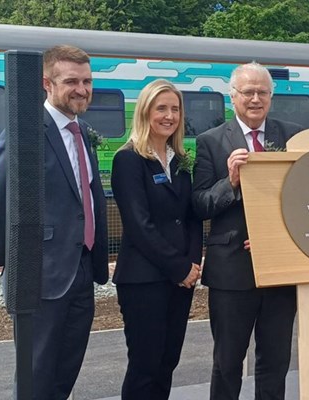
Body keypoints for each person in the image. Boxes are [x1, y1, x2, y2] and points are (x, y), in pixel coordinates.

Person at [0, 44, 109, 398]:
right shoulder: (25, 130)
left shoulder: (83, 131)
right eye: (71, 81)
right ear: (46, 83)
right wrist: (5, 258)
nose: (82, 89)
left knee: (65, 374)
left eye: (86, 81)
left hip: (83, 271)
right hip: (40, 274)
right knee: (35, 378)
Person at [192, 62, 303, 400]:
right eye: (248, 92)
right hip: (231, 271)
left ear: (272, 96)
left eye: (263, 92)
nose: (256, 98)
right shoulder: (210, 141)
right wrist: (231, 182)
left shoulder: (294, 135)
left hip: (281, 270)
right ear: (233, 96)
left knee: (275, 360)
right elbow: (199, 204)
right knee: (227, 361)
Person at [110, 79, 203, 399]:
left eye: (175, 109)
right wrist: (178, 267)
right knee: (145, 366)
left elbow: (191, 217)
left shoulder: (180, 161)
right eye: (161, 108)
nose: (169, 115)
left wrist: (193, 263)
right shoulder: (128, 160)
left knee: (167, 362)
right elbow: (139, 225)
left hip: (180, 279)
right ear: (145, 112)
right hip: (143, 279)